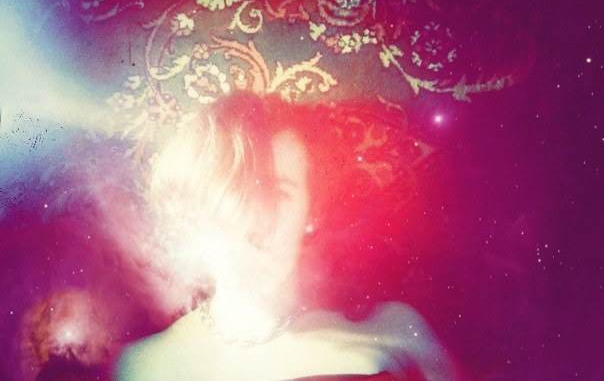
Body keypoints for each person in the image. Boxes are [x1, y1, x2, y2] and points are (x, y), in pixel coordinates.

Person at [116, 92, 456, 381]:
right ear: (190, 210)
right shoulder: (142, 366)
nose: (255, 223)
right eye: (233, 193)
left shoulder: (397, 333)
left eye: (279, 193)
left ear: (311, 210)